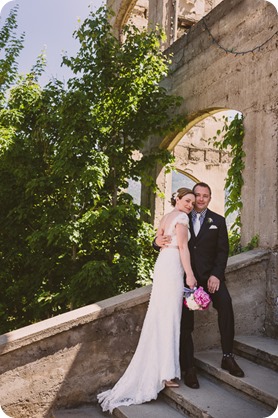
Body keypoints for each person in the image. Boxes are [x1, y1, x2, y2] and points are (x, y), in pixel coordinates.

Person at [97, 188, 197, 413]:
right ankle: (166, 374)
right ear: (178, 200)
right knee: (169, 318)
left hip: (162, 264)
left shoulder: (166, 216)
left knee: (160, 317)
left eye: (192, 202)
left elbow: (159, 239)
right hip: (172, 267)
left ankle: (164, 370)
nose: (190, 205)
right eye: (187, 200)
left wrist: (158, 240)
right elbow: (183, 247)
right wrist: (189, 274)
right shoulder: (181, 218)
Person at [154, 182, 244, 390]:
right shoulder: (182, 215)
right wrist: (156, 242)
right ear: (192, 197)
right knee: (186, 323)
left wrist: (216, 275)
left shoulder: (218, 221)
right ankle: (189, 368)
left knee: (226, 305)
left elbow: (223, 251)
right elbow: (166, 238)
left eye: (205, 196)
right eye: (198, 195)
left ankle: (228, 356)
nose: (201, 199)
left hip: (209, 277)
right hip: (185, 278)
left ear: (210, 198)